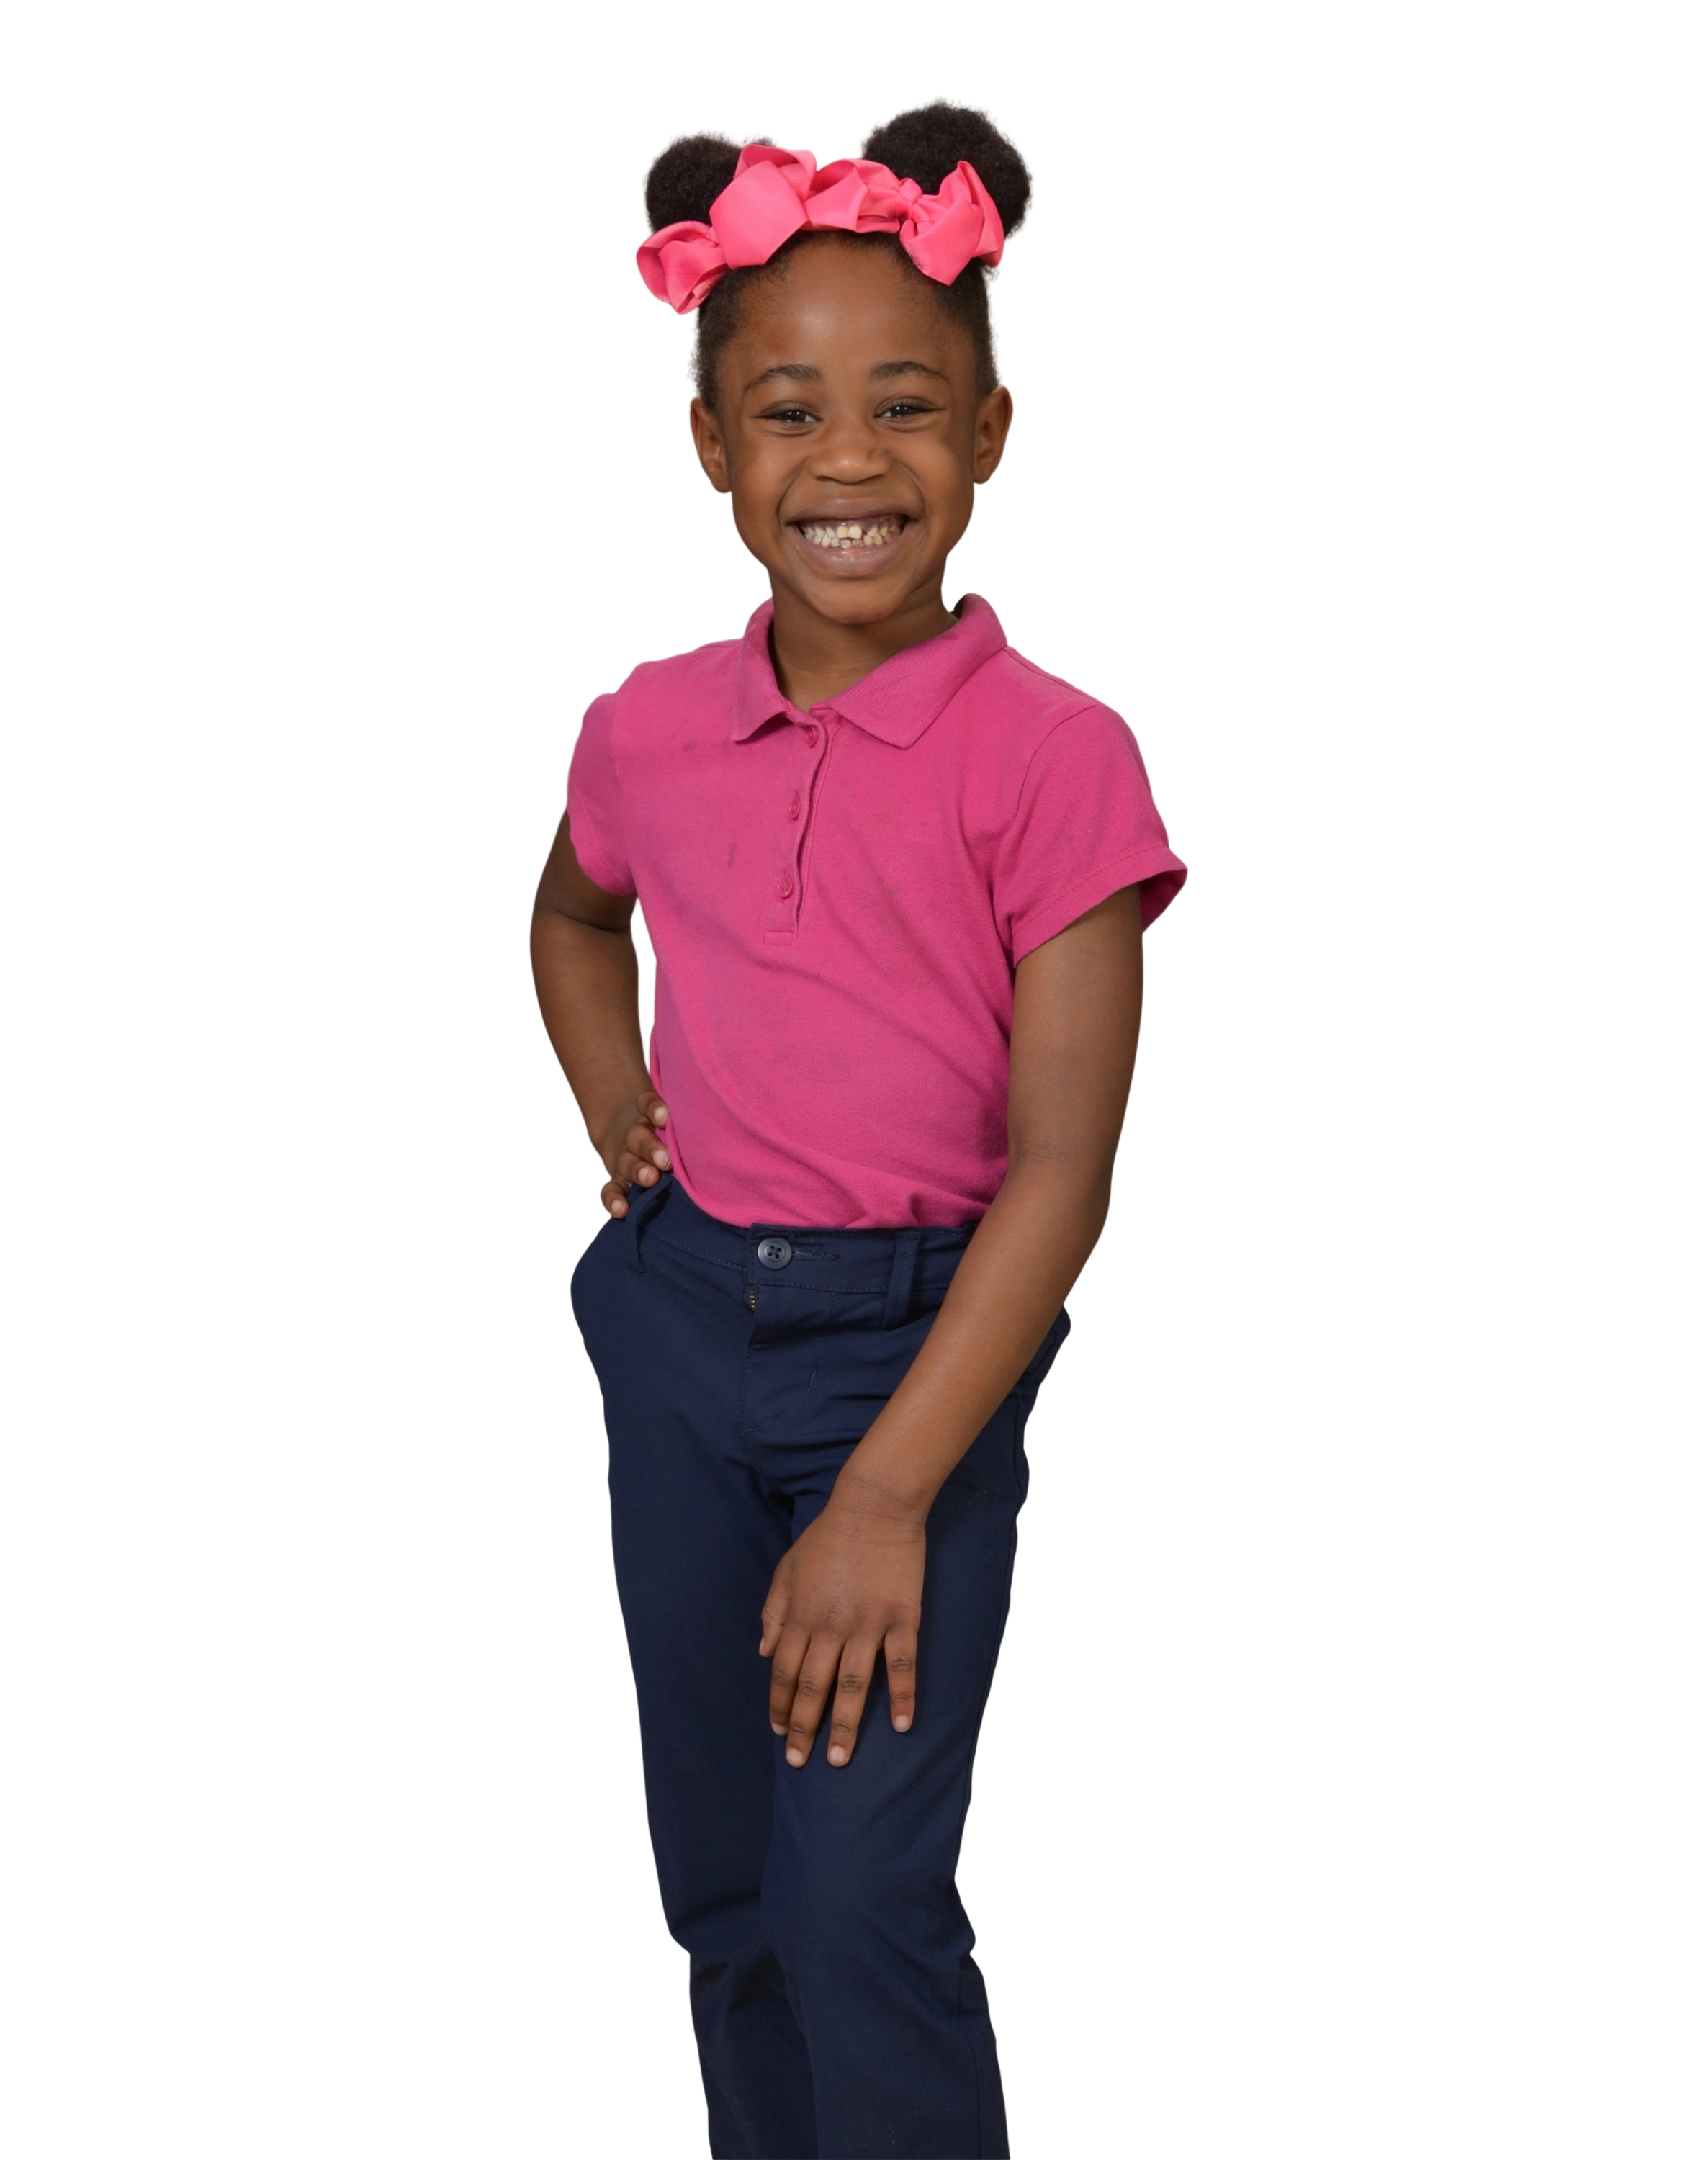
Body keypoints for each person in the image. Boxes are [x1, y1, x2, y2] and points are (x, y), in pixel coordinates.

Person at [529, 93, 1190, 2160]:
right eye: (790, 410)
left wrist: (890, 1493)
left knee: (857, 1900)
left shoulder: (1057, 759)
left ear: (990, 436)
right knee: (726, 1894)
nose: (848, 461)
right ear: (710, 445)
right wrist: (618, 1099)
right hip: (679, 1331)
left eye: (906, 407)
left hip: (914, 1361)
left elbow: (1065, 1173)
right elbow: (570, 918)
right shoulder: (647, 725)